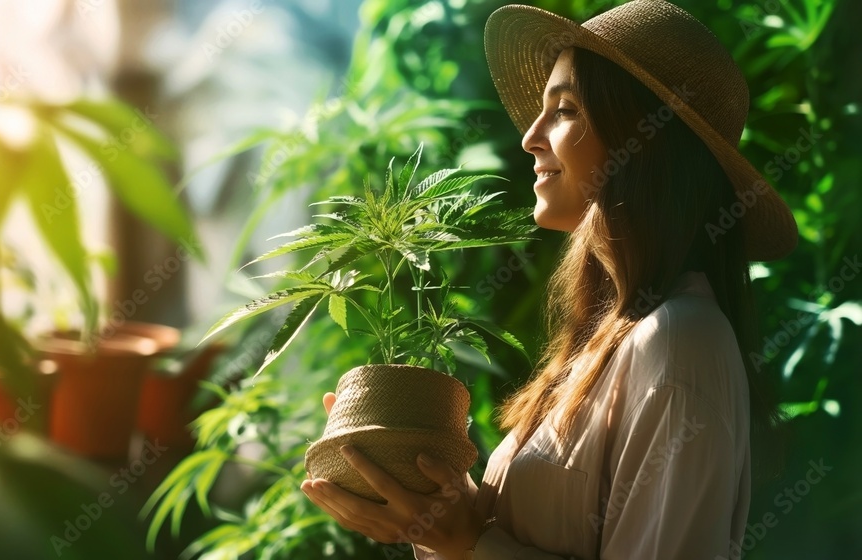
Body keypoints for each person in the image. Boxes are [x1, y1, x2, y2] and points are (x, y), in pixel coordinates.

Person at [300, 1, 798, 558]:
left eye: (564, 110)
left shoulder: (681, 342)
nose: (530, 138)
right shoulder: (608, 340)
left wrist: (469, 541)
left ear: (643, 139)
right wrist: (436, 506)